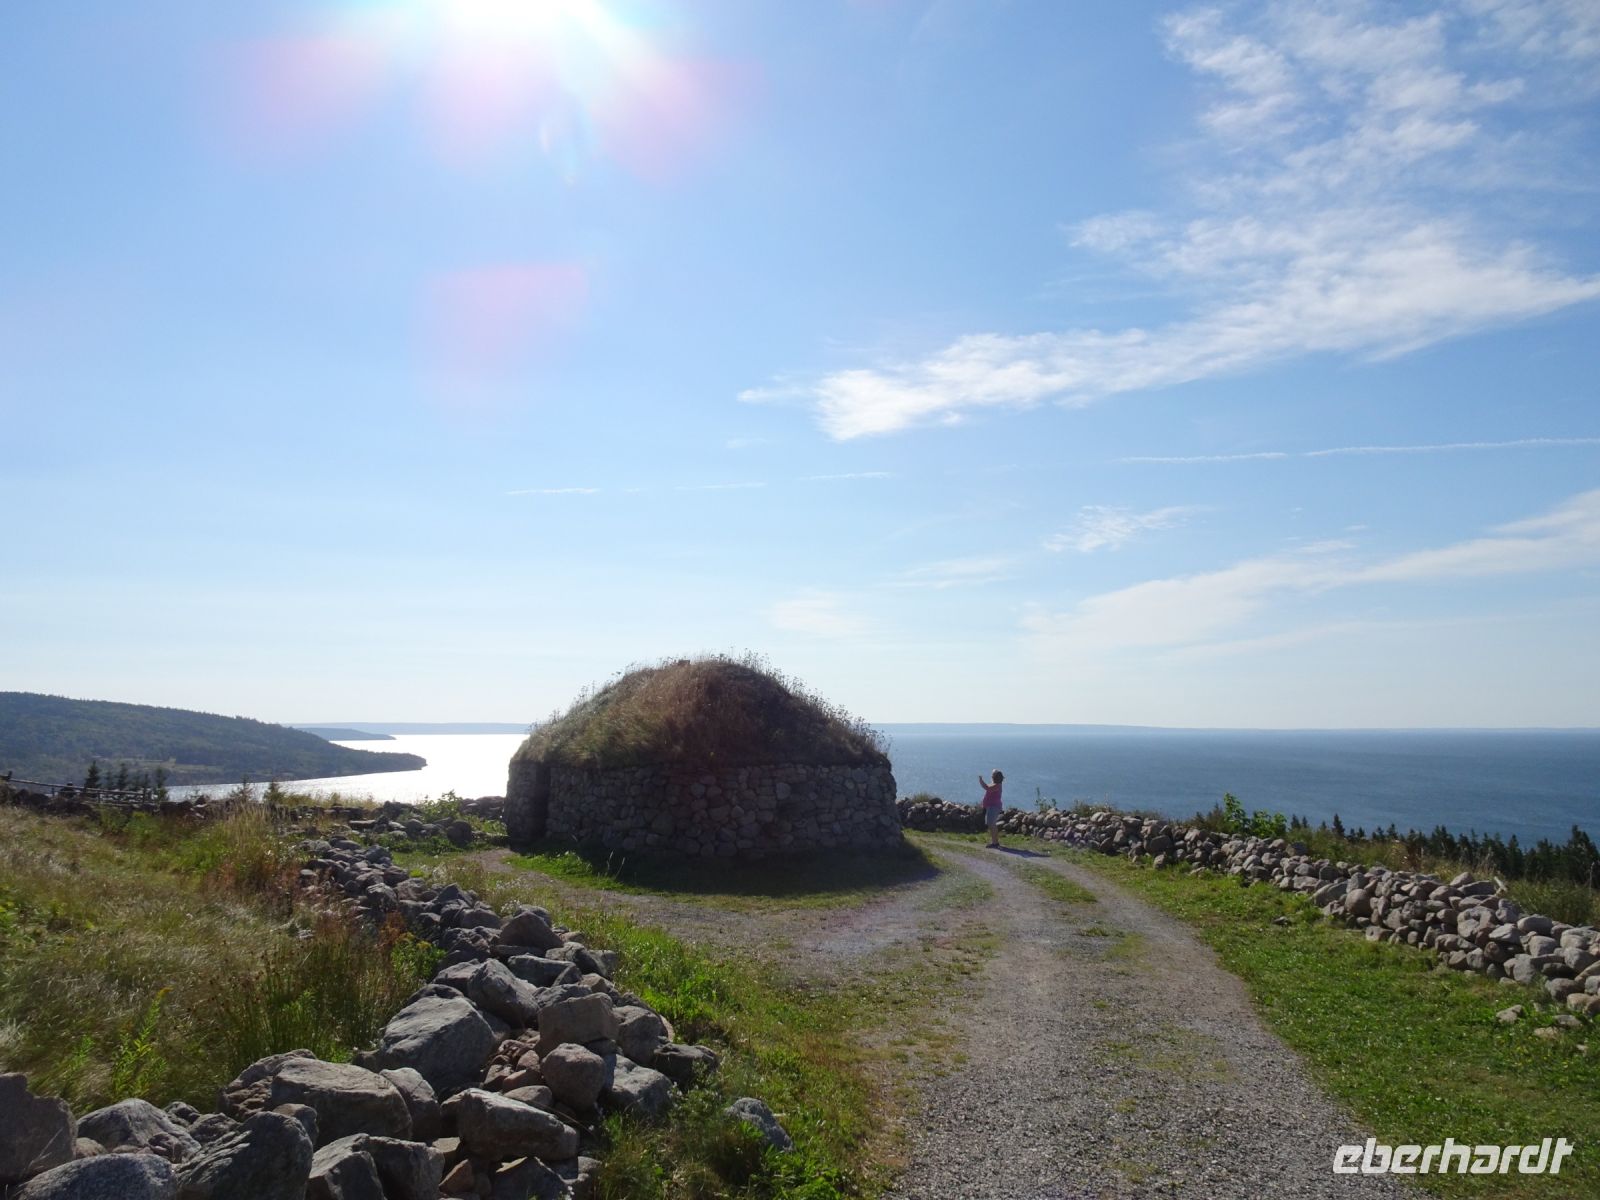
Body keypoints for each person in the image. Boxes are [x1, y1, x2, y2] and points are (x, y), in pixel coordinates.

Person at [979, 769, 1004, 848]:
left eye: (992, 774)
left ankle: (995, 843)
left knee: (991, 824)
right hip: (991, 806)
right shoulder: (995, 784)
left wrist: (981, 780)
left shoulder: (997, 785)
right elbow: (988, 790)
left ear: (995, 777)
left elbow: (987, 788)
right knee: (991, 824)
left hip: (994, 807)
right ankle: (994, 842)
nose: (991, 776)